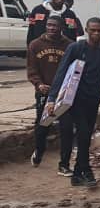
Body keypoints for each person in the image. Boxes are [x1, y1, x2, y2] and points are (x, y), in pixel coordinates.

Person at [46, 17, 100, 188]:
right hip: (73, 99)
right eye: (93, 30)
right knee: (83, 133)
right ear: (86, 30)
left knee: (86, 135)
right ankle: (86, 170)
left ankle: (77, 174)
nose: (96, 33)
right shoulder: (76, 48)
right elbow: (61, 72)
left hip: (93, 98)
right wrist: (52, 98)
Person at [26, 16, 74, 172]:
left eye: (55, 26)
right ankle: (39, 151)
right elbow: (31, 70)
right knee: (42, 126)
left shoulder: (69, 46)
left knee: (67, 128)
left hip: (63, 95)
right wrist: (39, 84)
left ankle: (64, 164)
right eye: (49, 25)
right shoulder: (35, 45)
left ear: (61, 28)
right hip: (43, 93)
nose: (51, 28)